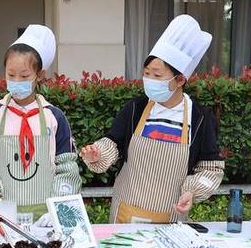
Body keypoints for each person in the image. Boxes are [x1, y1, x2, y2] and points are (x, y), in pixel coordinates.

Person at [80, 15, 224, 223]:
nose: (149, 81)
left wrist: (192, 191)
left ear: (180, 79)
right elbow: (114, 142)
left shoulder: (199, 118)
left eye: (157, 76)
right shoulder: (136, 108)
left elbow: (210, 168)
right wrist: (97, 154)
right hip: (125, 213)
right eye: (146, 74)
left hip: (171, 216)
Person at [0, 25, 81, 227]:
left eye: (24, 76)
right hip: (2, 217)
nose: (16, 81)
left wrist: (58, 208)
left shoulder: (55, 117)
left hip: (46, 218)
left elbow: (67, 166)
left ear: (39, 75)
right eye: (11, 75)